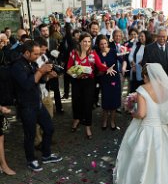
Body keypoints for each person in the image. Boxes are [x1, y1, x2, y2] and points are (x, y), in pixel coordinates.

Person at [11, 40, 62, 172]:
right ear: (27, 53)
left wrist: (48, 76)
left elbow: (37, 81)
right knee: (30, 134)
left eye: (39, 54)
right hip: (26, 106)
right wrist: (40, 71)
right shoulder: (16, 66)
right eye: (35, 54)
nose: (38, 57)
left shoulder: (32, 62)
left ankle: (46, 154)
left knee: (49, 128)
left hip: (37, 103)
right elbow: (27, 84)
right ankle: (31, 160)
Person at [67, 33, 116, 138]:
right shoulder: (73, 53)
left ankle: (88, 126)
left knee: (88, 104)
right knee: (76, 101)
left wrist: (107, 68)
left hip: (89, 82)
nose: (87, 43)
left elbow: (99, 65)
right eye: (84, 41)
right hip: (76, 81)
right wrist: (76, 74)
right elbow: (68, 68)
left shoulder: (93, 53)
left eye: (89, 41)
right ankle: (76, 119)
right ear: (80, 42)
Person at [96, 35, 122, 130]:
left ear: (108, 43)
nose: (103, 45)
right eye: (101, 44)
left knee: (114, 100)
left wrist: (123, 67)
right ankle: (105, 120)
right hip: (104, 80)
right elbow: (96, 72)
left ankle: (112, 121)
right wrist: (103, 70)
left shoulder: (114, 51)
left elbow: (122, 60)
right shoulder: (97, 55)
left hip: (114, 79)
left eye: (105, 43)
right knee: (106, 100)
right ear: (98, 45)